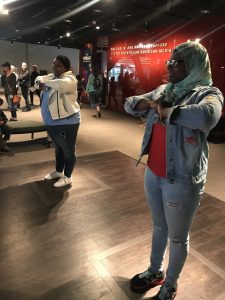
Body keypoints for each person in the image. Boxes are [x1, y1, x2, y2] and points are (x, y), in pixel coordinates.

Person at [124, 41, 224, 300]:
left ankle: (170, 283)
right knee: (159, 226)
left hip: (181, 179)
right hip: (153, 172)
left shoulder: (207, 92)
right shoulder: (164, 89)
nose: (169, 65)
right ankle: (155, 271)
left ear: (192, 65)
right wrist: (150, 102)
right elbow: (129, 104)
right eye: (169, 60)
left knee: (177, 237)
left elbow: (207, 116)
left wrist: (169, 111)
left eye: (176, 61)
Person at [35, 55, 80, 188]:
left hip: (67, 122)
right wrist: (41, 80)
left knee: (68, 150)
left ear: (65, 67)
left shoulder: (69, 79)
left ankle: (68, 176)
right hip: (52, 121)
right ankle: (59, 171)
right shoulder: (53, 77)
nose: (54, 67)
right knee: (58, 149)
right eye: (54, 64)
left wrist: (44, 82)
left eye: (58, 65)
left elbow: (60, 85)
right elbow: (38, 80)